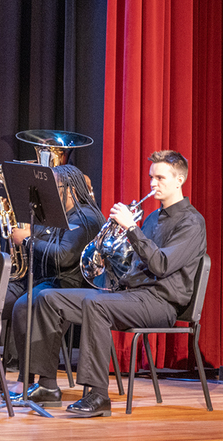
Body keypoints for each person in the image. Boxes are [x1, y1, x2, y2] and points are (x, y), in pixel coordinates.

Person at [20, 150, 206, 417]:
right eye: (152, 177)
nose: (153, 184)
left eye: (161, 178)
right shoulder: (153, 218)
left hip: (161, 304)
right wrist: (111, 251)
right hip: (133, 296)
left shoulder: (192, 222)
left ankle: (98, 395)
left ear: (179, 181)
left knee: (96, 305)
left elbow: (161, 265)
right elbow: (135, 264)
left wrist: (131, 229)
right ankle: (47, 386)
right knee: (48, 297)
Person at [0, 165, 102, 394]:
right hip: (41, 278)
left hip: (67, 283)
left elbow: (64, 257)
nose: (48, 193)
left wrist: (28, 240)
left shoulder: (86, 217)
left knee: (23, 306)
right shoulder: (56, 215)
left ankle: (25, 378)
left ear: (71, 191)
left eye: (54, 187)